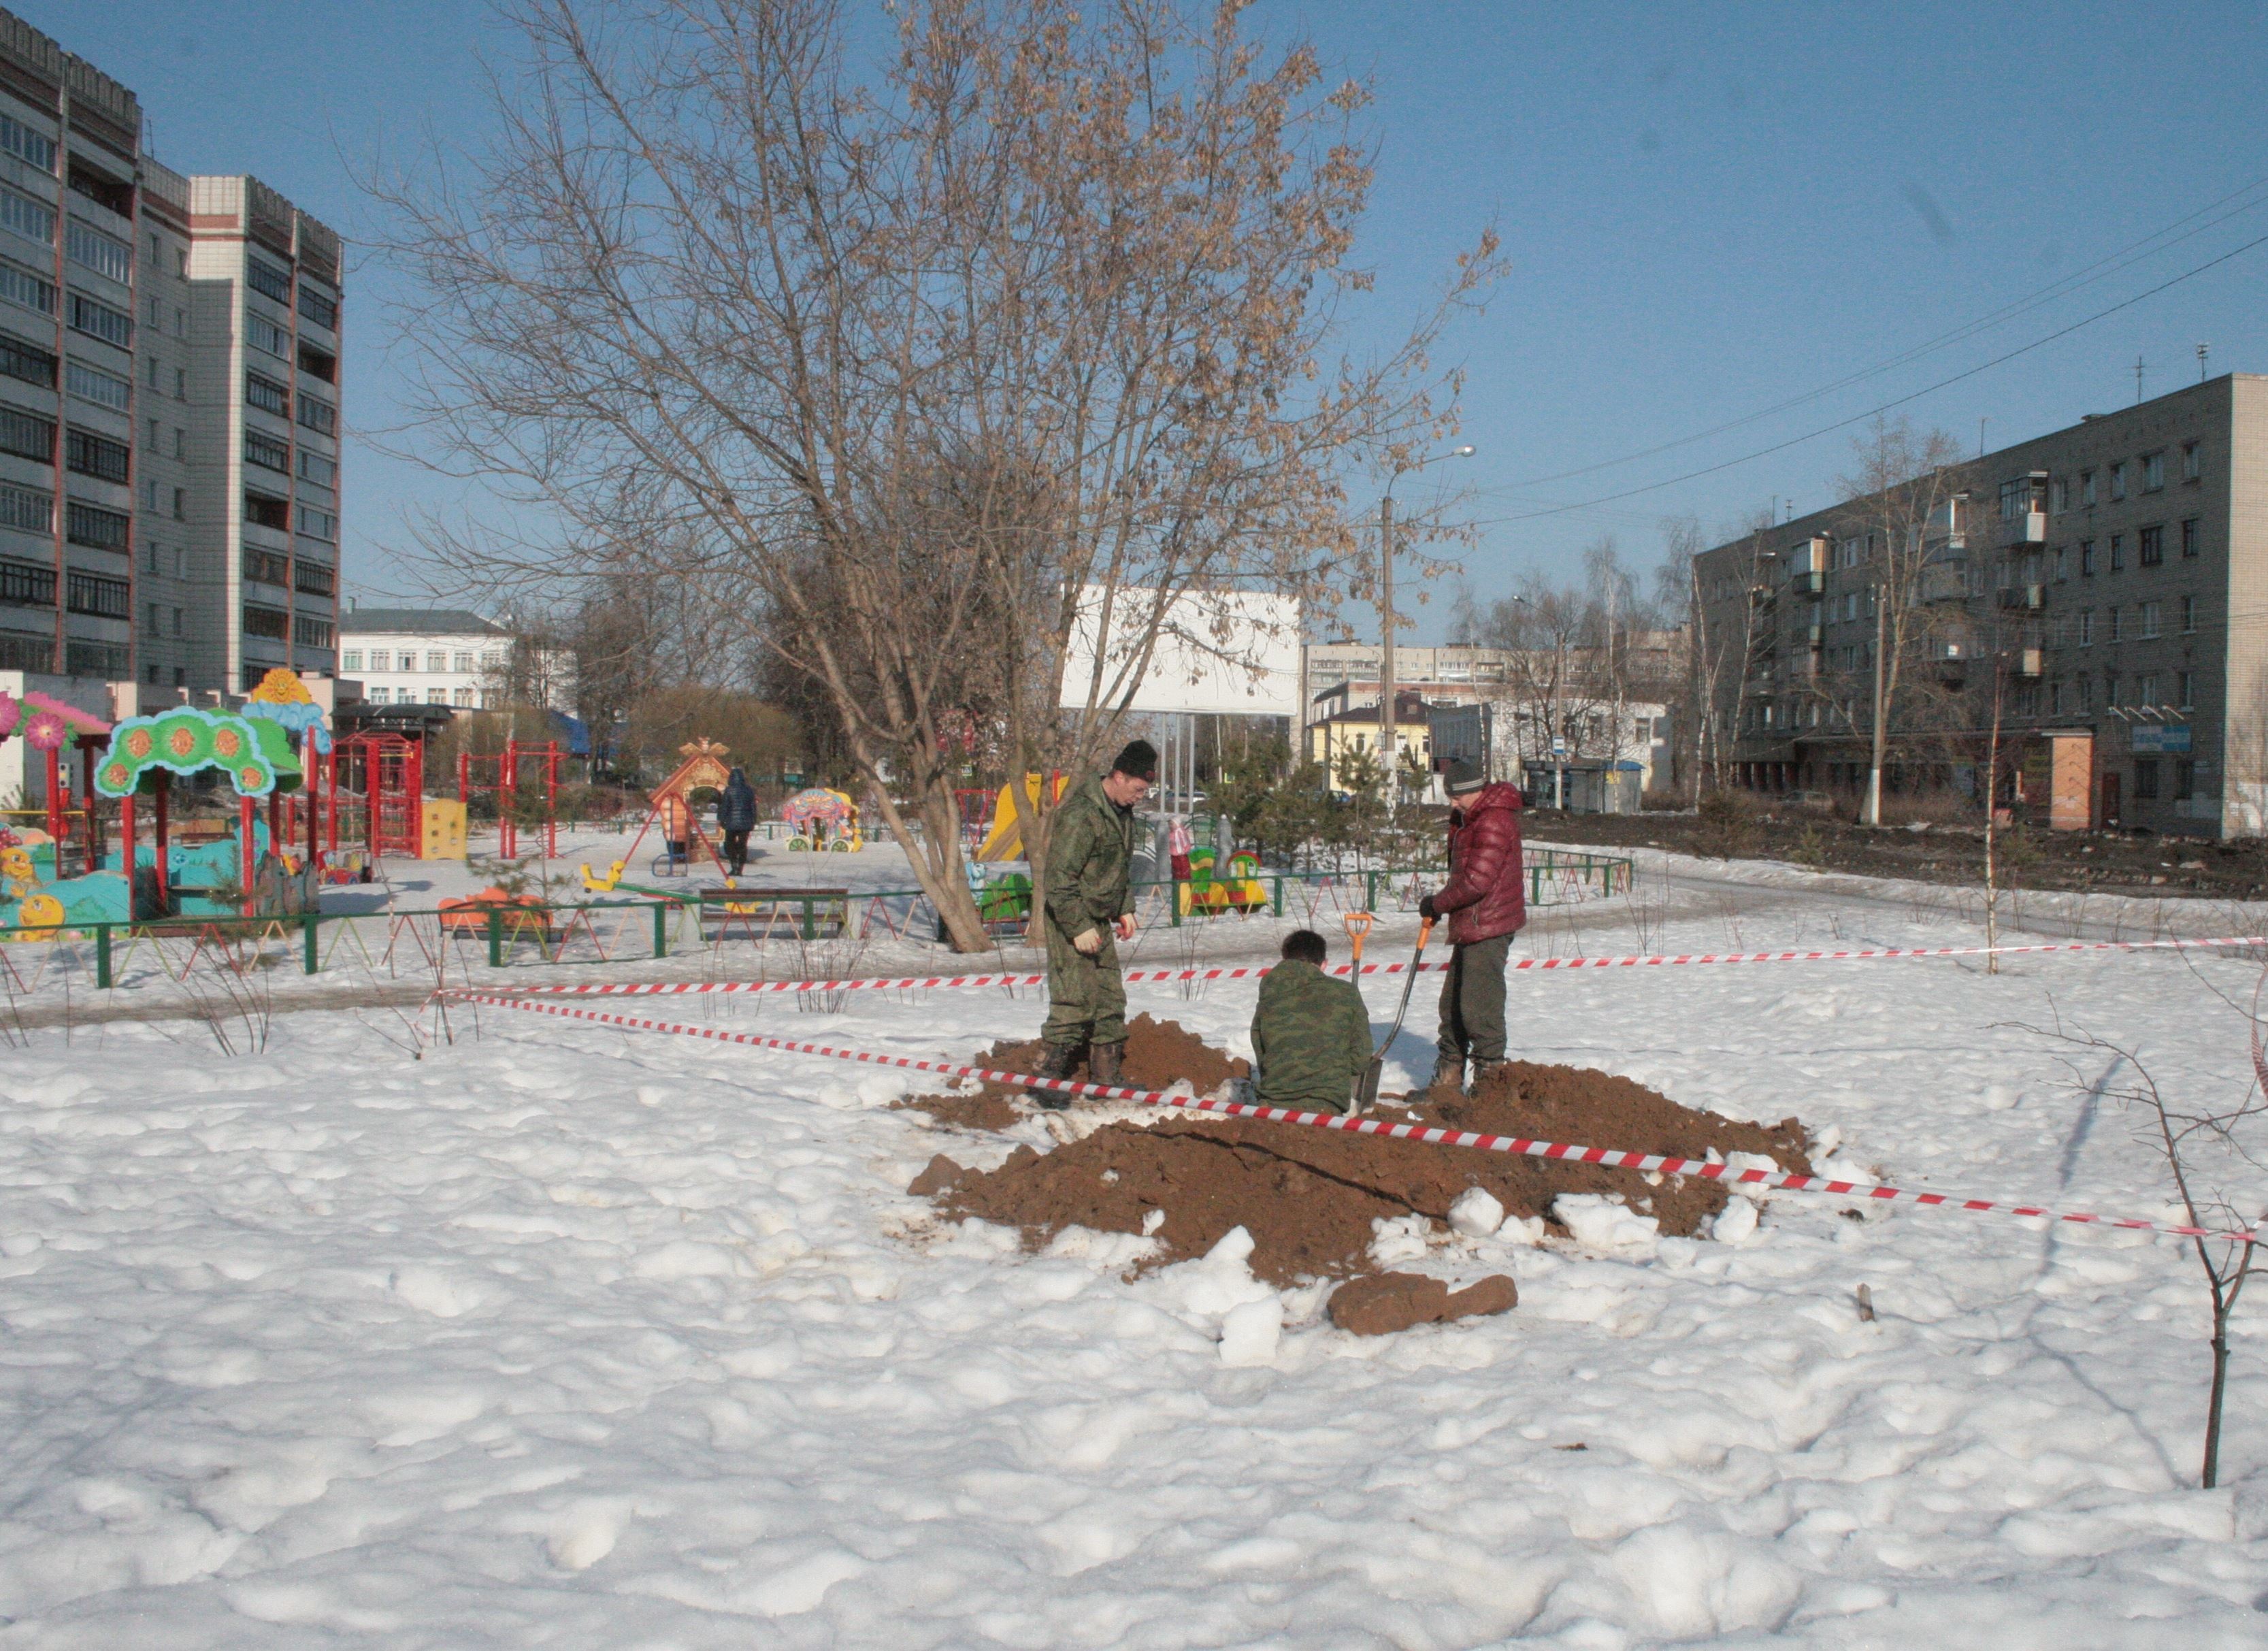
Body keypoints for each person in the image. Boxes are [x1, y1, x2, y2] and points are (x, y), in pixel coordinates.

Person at [1030, 739, 1155, 1105]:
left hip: (1100, 918)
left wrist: (1124, 907)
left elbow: (1116, 869)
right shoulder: (1082, 814)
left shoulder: (1120, 812)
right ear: (1118, 776)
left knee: (1110, 999)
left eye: (1145, 791)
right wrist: (1078, 927)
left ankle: (1106, 1079)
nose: (1140, 797)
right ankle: (1044, 1085)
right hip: (1073, 920)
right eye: (1137, 789)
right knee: (1074, 1000)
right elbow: (1058, 880)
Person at [1418, 758, 1526, 1094]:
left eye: (1456, 797)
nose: (1452, 803)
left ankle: (1490, 1085)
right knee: (1452, 1005)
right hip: (1472, 922)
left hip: (1489, 924)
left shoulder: (1493, 821)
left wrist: (1438, 903)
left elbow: (1477, 881)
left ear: (1474, 791)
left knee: (1480, 1008)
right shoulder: (1470, 818)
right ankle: (1447, 1082)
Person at [1249, 929, 1373, 1115]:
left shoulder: (1270, 996)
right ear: (1324, 964)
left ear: (1284, 960)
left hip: (1273, 1105)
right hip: (1326, 1105)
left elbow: (1261, 1049)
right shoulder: (1346, 993)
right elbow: (1360, 1059)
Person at [717, 766, 758, 877]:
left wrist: (722, 820)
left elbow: (725, 807)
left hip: (731, 823)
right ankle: (740, 868)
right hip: (745, 823)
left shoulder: (729, 790)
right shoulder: (749, 790)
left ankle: (734, 866)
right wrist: (753, 820)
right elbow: (753, 807)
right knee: (743, 846)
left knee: (729, 845)